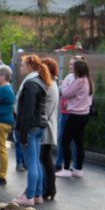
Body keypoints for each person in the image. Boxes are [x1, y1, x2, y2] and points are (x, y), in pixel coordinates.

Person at [12, 54, 50, 207]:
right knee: (36, 161)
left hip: (31, 127)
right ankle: (38, 194)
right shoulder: (40, 82)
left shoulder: (31, 84)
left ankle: (29, 196)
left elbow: (27, 110)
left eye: (22, 65)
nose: (20, 68)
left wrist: (23, 133)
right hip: (39, 126)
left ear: (29, 66)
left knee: (32, 162)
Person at [56, 58, 93, 179]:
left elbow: (66, 93)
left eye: (74, 68)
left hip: (75, 115)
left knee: (65, 141)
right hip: (84, 114)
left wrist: (64, 83)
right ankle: (78, 169)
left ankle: (66, 168)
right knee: (79, 142)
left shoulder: (79, 81)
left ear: (79, 70)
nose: (72, 71)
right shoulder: (88, 80)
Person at [40, 57, 59, 199]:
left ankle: (48, 187)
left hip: (45, 127)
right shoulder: (52, 84)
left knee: (44, 159)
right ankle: (50, 187)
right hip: (49, 126)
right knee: (46, 158)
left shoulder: (49, 85)